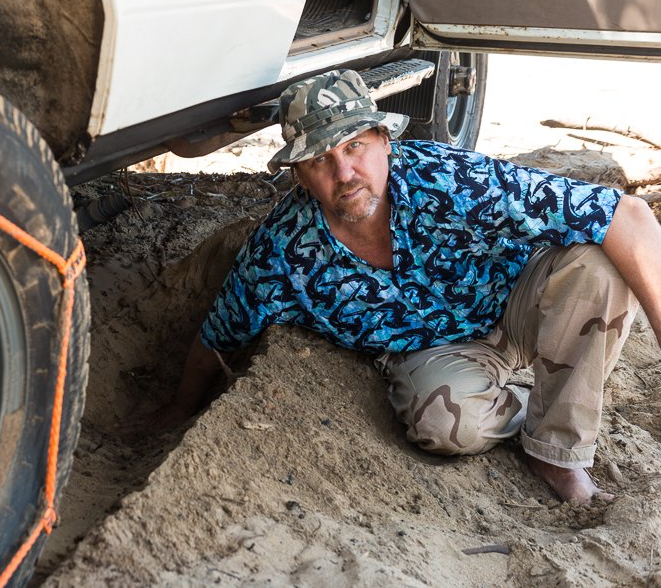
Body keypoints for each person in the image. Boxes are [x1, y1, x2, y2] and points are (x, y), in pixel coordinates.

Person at [123, 69, 661, 504]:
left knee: (600, 266)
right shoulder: (284, 254)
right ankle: (531, 402)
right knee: (444, 427)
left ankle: (556, 451)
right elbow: (219, 334)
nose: (345, 171)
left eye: (355, 145)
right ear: (299, 176)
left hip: (521, 305)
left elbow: (631, 217)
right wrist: (177, 410)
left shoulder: (450, 180)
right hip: (438, 355)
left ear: (385, 141)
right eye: (320, 160)